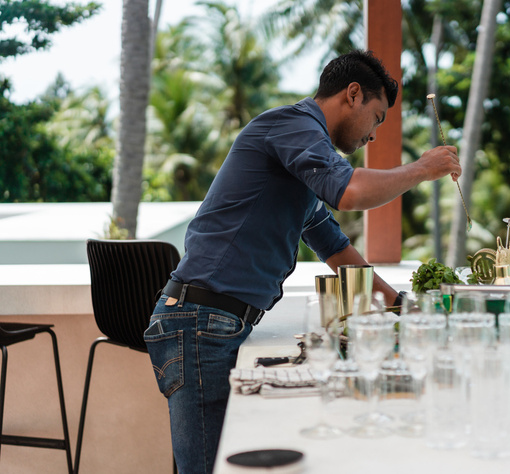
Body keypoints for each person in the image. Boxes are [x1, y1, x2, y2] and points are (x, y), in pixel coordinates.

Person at [143, 49, 461, 473]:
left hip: (215, 322)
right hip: (202, 322)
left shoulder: (300, 160)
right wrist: (422, 169)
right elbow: (349, 192)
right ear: (352, 95)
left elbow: (335, 248)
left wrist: (402, 306)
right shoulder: (291, 125)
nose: (374, 135)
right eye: (377, 117)